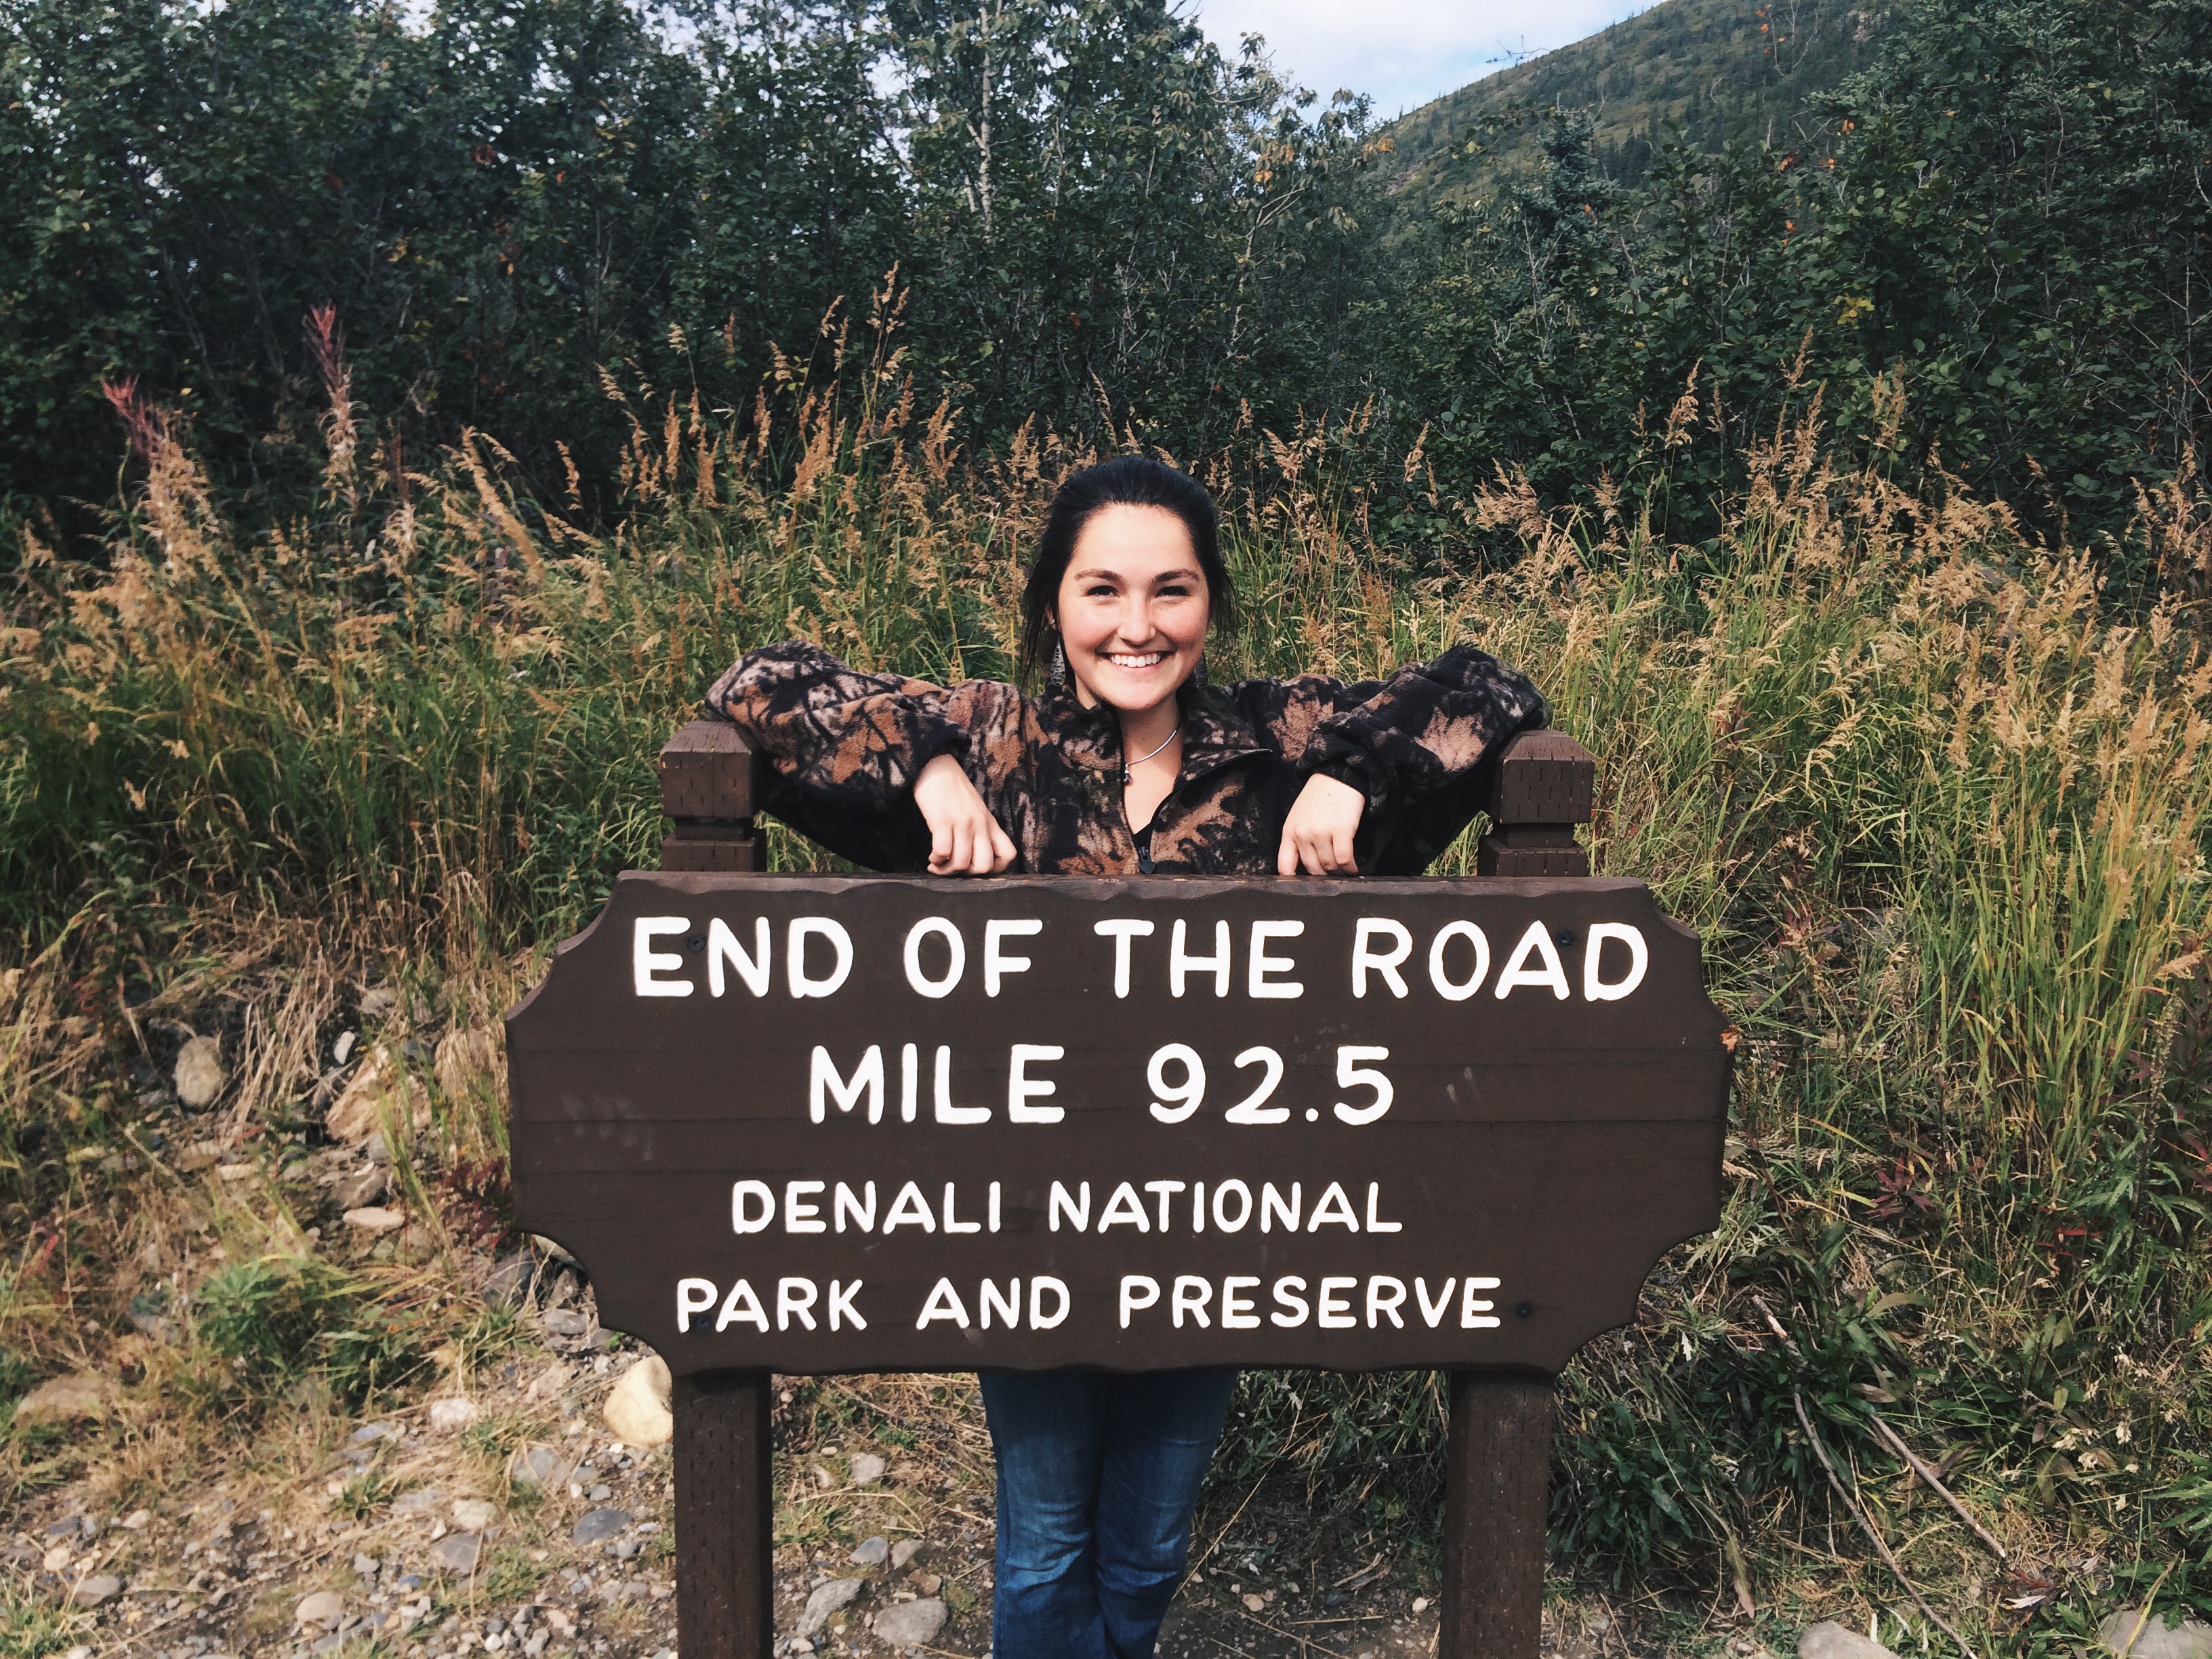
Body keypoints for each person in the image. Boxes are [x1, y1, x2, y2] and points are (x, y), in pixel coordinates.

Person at [705, 455, 1549, 1659]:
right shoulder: (996, 736)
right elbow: (764, 685)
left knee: (1151, 1543)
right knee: (1047, 1538)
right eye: (1103, 591)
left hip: (1218, 1221)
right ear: (1056, 600)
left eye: (1174, 590)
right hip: (1024, 1223)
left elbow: (1486, 684)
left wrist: (1348, 782)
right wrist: (926, 766)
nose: (1138, 627)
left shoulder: (1274, 736)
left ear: (1210, 602)